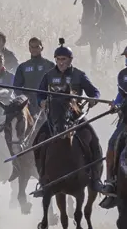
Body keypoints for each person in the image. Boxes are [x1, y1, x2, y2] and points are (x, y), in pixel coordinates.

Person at [32, 40, 104, 197]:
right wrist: (41, 101)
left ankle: (96, 179)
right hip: (53, 118)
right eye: (58, 59)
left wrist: (93, 98)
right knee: (36, 142)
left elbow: (95, 92)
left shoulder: (79, 75)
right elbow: (40, 93)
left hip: (75, 118)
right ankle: (43, 179)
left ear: (70, 60)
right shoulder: (49, 75)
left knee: (94, 140)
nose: (60, 62)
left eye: (64, 59)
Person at [98, 45, 127, 208]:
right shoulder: (124, 75)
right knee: (112, 142)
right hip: (126, 119)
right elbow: (122, 94)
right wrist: (116, 104)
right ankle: (111, 181)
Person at [13, 37, 55, 120]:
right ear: (29, 49)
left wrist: (48, 99)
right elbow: (16, 87)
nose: (34, 49)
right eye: (32, 47)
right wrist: (24, 99)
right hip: (28, 104)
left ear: (41, 48)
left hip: (45, 103)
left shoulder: (50, 65)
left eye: (37, 47)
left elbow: (56, 85)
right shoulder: (22, 67)